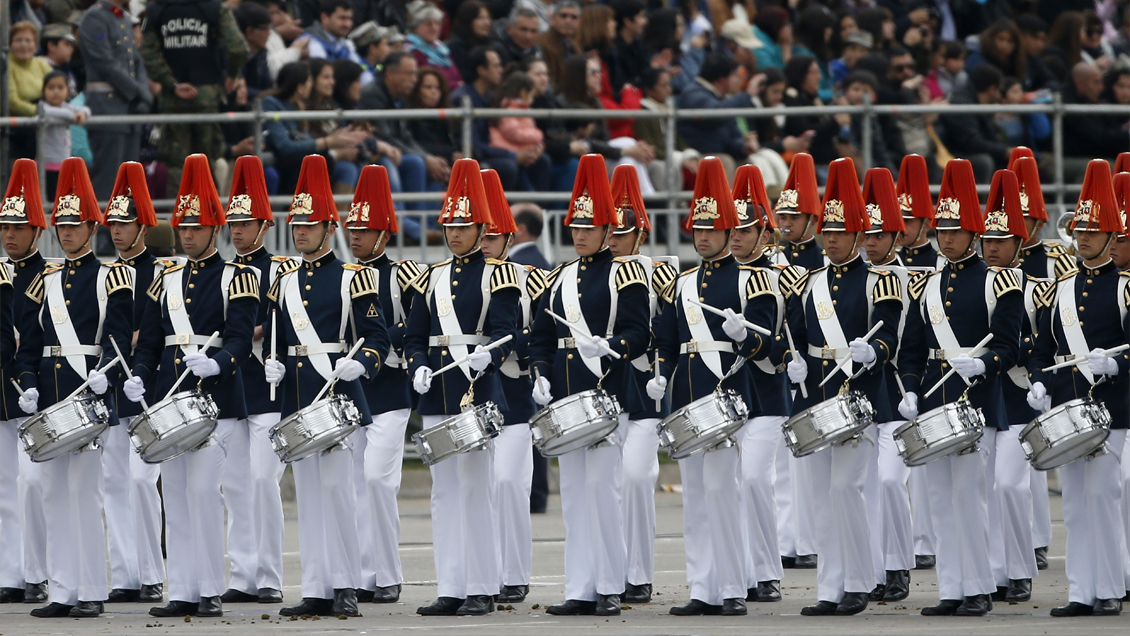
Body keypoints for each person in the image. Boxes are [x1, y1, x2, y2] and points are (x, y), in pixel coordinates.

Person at [124, 154, 259, 619]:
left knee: (203, 493)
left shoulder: (237, 277)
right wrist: (140, 376)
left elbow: (240, 338)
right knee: (177, 495)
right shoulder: (165, 279)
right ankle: (182, 589)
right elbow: (150, 341)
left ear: (215, 229)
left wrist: (216, 363)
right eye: (183, 227)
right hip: (171, 399)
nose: (187, 235)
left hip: (217, 400)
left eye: (196, 228)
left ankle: (211, 589)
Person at [261, 155, 388, 618]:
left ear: (330, 228)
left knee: (338, 494)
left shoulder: (355, 278)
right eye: (296, 225)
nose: (300, 232)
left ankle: (346, 585)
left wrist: (362, 364)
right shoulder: (283, 283)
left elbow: (377, 337)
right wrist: (272, 365)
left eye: (309, 225)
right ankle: (316, 587)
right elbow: (276, 340)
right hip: (298, 398)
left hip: (337, 399)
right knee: (310, 498)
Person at [648, 157, 772, 617]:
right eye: (698, 228)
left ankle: (733, 586)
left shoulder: (752, 279)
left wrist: (745, 336)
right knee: (697, 499)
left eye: (712, 229)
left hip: (730, 398)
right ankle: (703, 588)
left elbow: (769, 346)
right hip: (688, 399)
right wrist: (660, 374)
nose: (702, 236)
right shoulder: (680, 284)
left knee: (724, 493)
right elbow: (665, 340)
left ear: (728, 231)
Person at [528, 154, 651, 617]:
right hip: (566, 400)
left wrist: (611, 346)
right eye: (575, 226)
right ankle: (580, 588)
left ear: (606, 229)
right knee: (575, 497)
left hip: (608, 395)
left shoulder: (625, 274)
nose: (580, 234)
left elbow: (640, 333)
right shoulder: (559, 276)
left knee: (603, 491)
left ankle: (610, 586)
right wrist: (540, 373)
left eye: (589, 227)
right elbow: (541, 336)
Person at [899, 158, 1023, 617]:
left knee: (970, 499)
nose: (946, 238)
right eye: (942, 230)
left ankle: (979, 587)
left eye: (956, 230)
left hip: (979, 402)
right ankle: (951, 588)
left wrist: (984, 364)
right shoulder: (927, 284)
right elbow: (912, 350)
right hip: (935, 400)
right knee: (938, 501)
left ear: (974, 233)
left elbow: (1010, 346)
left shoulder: (998, 281)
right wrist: (910, 389)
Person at [784, 157, 902, 617]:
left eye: (840, 232)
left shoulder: (879, 281)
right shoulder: (809, 282)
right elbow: (795, 335)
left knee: (846, 490)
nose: (830, 239)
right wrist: (793, 362)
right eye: (826, 231)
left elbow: (891, 334)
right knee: (821, 496)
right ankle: (830, 588)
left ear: (858, 234)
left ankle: (859, 582)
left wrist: (875, 352)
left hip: (861, 398)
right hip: (817, 397)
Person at [14, 159, 131, 622]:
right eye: (61, 225)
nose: (65, 232)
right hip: (49, 398)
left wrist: (105, 377)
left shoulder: (110, 278)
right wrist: (27, 385)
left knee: (84, 496)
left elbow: (119, 342)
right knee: (52, 496)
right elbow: (29, 345)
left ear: (91, 228)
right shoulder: (43, 281)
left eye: (74, 225)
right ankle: (62, 590)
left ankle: (92, 589)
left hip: (87, 398)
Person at [404, 158, 520, 617]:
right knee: (444, 492)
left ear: (481, 228)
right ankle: (451, 586)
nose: (454, 233)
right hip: (437, 390)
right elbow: (414, 336)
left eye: (463, 226)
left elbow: (507, 331)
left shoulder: (498, 275)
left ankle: (482, 586)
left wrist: (490, 353)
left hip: (477, 391)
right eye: (449, 225)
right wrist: (416, 365)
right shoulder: (429, 277)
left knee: (476, 489)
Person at [1027, 159, 1128, 618]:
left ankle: (1108, 588)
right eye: (1080, 230)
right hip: (1068, 410)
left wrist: (1118, 362)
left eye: (1093, 231)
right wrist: (1039, 382)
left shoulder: (1126, 288)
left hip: (1114, 410)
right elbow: (1041, 348)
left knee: (1103, 498)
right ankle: (1081, 591)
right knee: (1074, 503)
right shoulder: (1060, 288)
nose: (1082, 237)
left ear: (1112, 236)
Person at [212, 156, 293, 606]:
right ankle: (242, 574)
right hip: (233, 386)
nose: (238, 230)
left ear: (264, 224)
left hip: (268, 386)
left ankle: (269, 576)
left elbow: (287, 323)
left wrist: (254, 333)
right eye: (234, 223)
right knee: (235, 485)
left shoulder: (281, 270)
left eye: (246, 223)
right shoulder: (223, 272)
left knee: (263, 480)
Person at [345, 164, 421, 604]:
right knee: (356, 482)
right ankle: (363, 573)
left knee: (377, 479)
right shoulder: (343, 275)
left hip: (390, 387)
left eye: (365, 230)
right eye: (353, 229)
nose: (356, 237)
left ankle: (388, 573)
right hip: (353, 391)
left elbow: (417, 322)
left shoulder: (404, 274)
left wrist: (380, 341)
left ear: (385, 233)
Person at [606, 165, 677, 606]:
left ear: (640, 234)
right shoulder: (591, 273)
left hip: (644, 388)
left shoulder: (659, 275)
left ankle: (638, 574)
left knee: (635, 477)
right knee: (606, 485)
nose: (614, 241)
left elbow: (671, 329)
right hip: (605, 391)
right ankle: (610, 572)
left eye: (622, 234)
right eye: (610, 233)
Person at [478, 168, 547, 604]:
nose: (485, 243)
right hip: (474, 397)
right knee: (481, 488)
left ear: (509, 237)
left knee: (509, 483)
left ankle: (515, 573)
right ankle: (485, 574)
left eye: (492, 236)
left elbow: (540, 333)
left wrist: (503, 347)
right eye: (480, 235)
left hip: (515, 394)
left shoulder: (531, 278)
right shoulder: (460, 278)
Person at [100, 162, 167, 606]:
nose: (117, 231)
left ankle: (152, 574)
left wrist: (143, 337)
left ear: (143, 225)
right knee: (114, 483)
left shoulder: (161, 272)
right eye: (113, 224)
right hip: (113, 387)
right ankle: (125, 575)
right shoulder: (106, 273)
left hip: (151, 387)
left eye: (125, 224)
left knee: (143, 481)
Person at [978, 169, 1039, 604]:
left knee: (1010, 486)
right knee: (983, 489)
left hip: (1019, 395)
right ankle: (993, 573)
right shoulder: (975, 283)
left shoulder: (1038, 288)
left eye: (1001, 241)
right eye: (987, 240)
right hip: (984, 397)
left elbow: (1042, 341)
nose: (992, 248)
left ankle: (1019, 571)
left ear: (1020, 242)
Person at [728, 165, 786, 604]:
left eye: (745, 230)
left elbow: (778, 342)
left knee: (754, 480)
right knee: (730, 486)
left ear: (764, 234)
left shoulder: (776, 279)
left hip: (766, 394)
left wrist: (746, 338)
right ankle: (740, 571)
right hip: (727, 398)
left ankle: (767, 572)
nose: (736, 237)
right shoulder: (715, 276)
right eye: (732, 229)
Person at [857, 166, 914, 604]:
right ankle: (874, 570)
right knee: (867, 487)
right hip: (861, 395)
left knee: (891, 481)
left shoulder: (915, 280)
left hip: (899, 392)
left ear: (897, 237)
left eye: (880, 235)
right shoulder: (853, 279)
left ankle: (898, 566)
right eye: (868, 234)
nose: (872, 242)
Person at [0, 161, 51, 606]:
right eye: (5, 227)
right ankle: (11, 574)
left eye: (19, 227)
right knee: (5, 488)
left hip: (37, 394)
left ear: (36, 230)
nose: (10, 235)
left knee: (32, 484)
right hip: (4, 394)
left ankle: (38, 572)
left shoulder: (50, 276)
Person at [141, 0, 249, 195]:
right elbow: (239, 48)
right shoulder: (215, 8)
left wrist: (171, 83)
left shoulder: (157, 9)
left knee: (177, 165)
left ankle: (179, 213)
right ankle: (208, 211)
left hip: (173, 99)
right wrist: (232, 74)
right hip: (207, 95)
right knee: (206, 162)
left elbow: (148, 54)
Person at [358, 51, 449, 228]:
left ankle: (427, 226)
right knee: (416, 163)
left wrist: (429, 158)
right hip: (377, 154)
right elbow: (385, 136)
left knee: (437, 169)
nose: (414, 80)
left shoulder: (400, 97)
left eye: (415, 74)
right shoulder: (372, 94)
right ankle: (413, 229)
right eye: (409, 74)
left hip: (397, 152)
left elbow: (407, 137)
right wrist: (424, 159)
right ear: (390, 74)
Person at [261, 62, 369, 194]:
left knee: (328, 160)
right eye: (309, 81)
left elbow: (305, 137)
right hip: (276, 157)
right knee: (323, 161)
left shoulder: (298, 105)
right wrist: (327, 142)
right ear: (300, 86)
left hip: (294, 158)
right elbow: (284, 145)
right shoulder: (270, 103)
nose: (311, 86)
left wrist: (337, 138)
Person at [674, 53, 762, 181]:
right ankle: (722, 196)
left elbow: (731, 136)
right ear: (721, 78)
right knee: (724, 162)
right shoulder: (693, 93)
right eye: (735, 76)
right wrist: (747, 95)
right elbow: (715, 116)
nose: (738, 81)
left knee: (748, 164)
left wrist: (743, 147)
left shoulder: (722, 98)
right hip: (694, 153)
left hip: (718, 151)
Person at [1009, 148, 1075, 283]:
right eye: (1010, 216)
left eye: (1023, 217)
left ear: (1039, 223)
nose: (1016, 222)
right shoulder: (995, 257)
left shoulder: (1055, 261)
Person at [939, 64, 1011, 182]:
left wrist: (1005, 151)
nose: (1000, 96)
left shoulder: (982, 105)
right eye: (1000, 91)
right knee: (984, 162)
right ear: (992, 89)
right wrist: (1004, 151)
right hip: (954, 152)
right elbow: (971, 143)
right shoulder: (962, 105)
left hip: (969, 150)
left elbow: (989, 137)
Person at [39, 71, 90, 195]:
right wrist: (72, 116)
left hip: (64, 162)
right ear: (44, 91)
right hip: (47, 164)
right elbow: (52, 112)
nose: (56, 92)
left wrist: (82, 113)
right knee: (50, 196)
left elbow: (86, 109)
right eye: (51, 88)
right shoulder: (43, 107)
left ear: (68, 91)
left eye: (60, 87)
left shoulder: (66, 106)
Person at [7, 21, 53, 159]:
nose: (24, 45)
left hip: (46, 118)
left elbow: (59, 86)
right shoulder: (6, 66)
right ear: (10, 44)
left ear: (35, 44)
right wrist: (42, 112)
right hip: (20, 128)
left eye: (28, 40)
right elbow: (12, 102)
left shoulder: (41, 64)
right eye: (18, 40)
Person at [774, 153, 824, 273]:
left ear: (812, 220)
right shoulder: (774, 257)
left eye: (795, 218)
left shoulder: (825, 260)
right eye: (783, 217)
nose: (787, 224)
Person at [895, 154, 939, 270]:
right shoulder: (891, 260)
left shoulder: (940, 263)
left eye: (907, 221)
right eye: (900, 221)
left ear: (926, 224)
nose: (902, 228)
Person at [407, 2, 462, 90]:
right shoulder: (412, 51)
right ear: (415, 27)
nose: (434, 28)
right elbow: (427, 84)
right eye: (428, 24)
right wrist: (457, 86)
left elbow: (457, 76)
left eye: (437, 23)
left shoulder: (441, 48)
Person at [536, 0, 581, 90]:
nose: (568, 21)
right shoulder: (541, 43)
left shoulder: (579, 45)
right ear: (553, 19)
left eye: (574, 17)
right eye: (563, 16)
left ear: (580, 21)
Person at [447, 0, 494, 84]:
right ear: (468, 20)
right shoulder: (455, 46)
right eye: (480, 18)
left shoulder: (488, 43)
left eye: (488, 17)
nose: (487, 23)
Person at [305, 0, 364, 65]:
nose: (347, 24)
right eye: (342, 18)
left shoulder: (345, 45)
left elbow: (360, 68)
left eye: (350, 19)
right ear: (325, 18)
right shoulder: (310, 42)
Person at [494, 5, 543, 70]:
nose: (528, 36)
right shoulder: (495, 50)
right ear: (509, 29)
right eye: (523, 29)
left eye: (533, 31)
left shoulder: (538, 53)